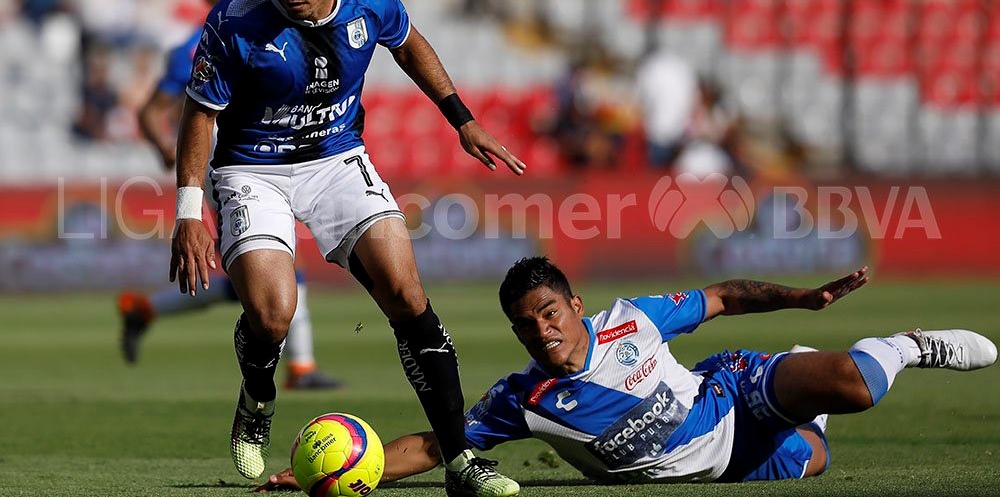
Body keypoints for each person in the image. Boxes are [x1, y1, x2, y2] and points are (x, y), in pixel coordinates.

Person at [169, 0, 525, 496]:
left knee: (407, 294)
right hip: (252, 171)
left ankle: (462, 462)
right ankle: (258, 395)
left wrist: (461, 118)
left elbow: (409, 42)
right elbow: (199, 116)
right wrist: (187, 210)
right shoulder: (235, 20)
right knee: (274, 312)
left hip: (336, 160)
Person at [258, 256, 997, 490]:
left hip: (728, 395)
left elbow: (722, 296)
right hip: (725, 467)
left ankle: (904, 346)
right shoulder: (524, 399)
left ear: (574, 305)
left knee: (857, 388)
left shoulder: (629, 318)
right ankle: (804, 386)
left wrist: (802, 299)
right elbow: (437, 442)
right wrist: (341, 472)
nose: (541, 329)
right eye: (525, 323)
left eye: (550, 312)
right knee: (820, 457)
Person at [119, 0, 340, 390]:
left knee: (249, 280)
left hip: (276, 158)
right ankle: (301, 367)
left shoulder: (275, 31)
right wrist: (168, 148)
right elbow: (151, 111)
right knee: (278, 262)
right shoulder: (192, 49)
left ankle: (145, 309)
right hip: (232, 167)